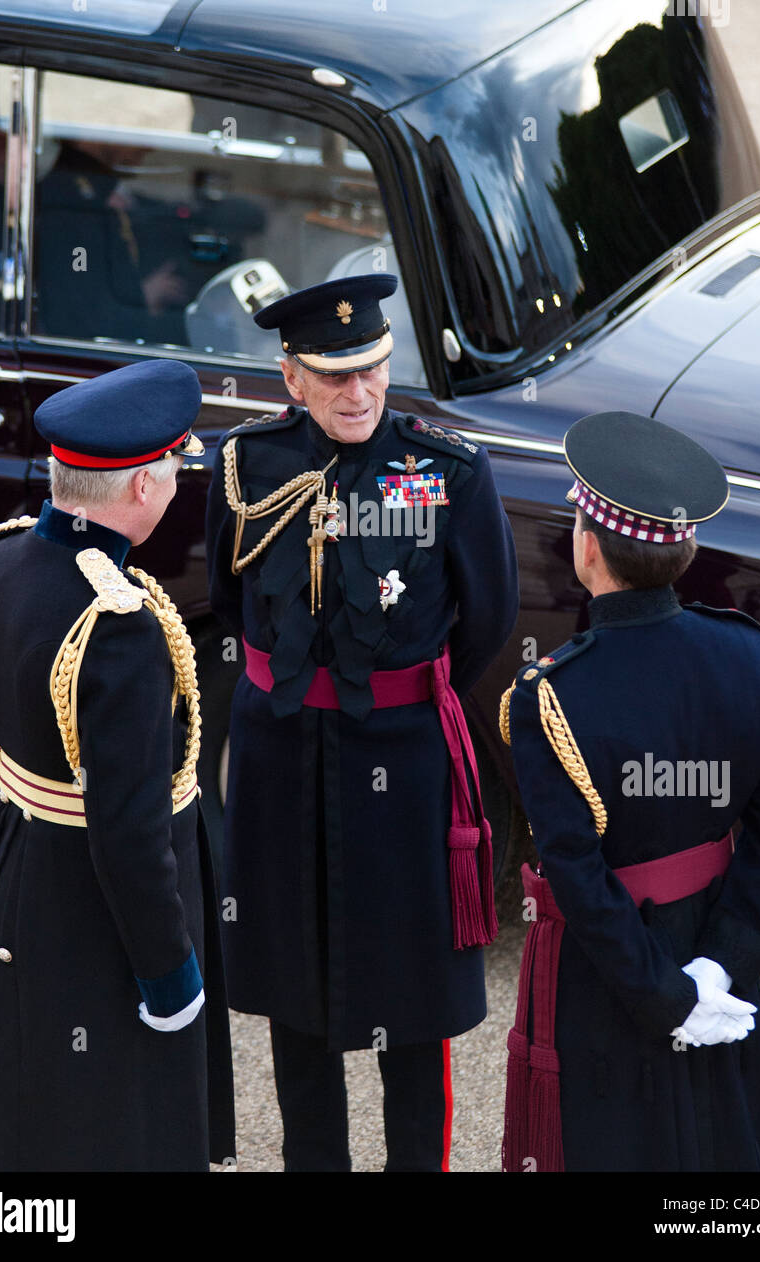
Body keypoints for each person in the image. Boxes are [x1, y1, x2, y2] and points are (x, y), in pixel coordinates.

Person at [205, 274, 518, 1171]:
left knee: (413, 1002)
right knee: (292, 993)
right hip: (280, 763)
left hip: (403, 765)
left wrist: (394, 695)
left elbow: (484, 619)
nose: (359, 392)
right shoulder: (245, 466)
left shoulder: (450, 474)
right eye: (334, 375)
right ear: (290, 379)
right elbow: (234, 604)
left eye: (373, 369)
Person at [500, 410, 760, 1172]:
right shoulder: (749, 655)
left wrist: (661, 996)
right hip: (717, 950)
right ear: (686, 552)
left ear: (587, 546)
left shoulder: (548, 695)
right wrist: (719, 968)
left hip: (613, 976)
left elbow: (576, 872)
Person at [0, 359, 235, 1172]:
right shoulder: (118, 625)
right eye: (175, 470)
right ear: (143, 490)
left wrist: (30, 839)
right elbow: (129, 831)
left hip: (21, 879)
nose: (179, 484)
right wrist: (169, 977)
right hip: (100, 921)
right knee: (119, 1128)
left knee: (29, 1105)